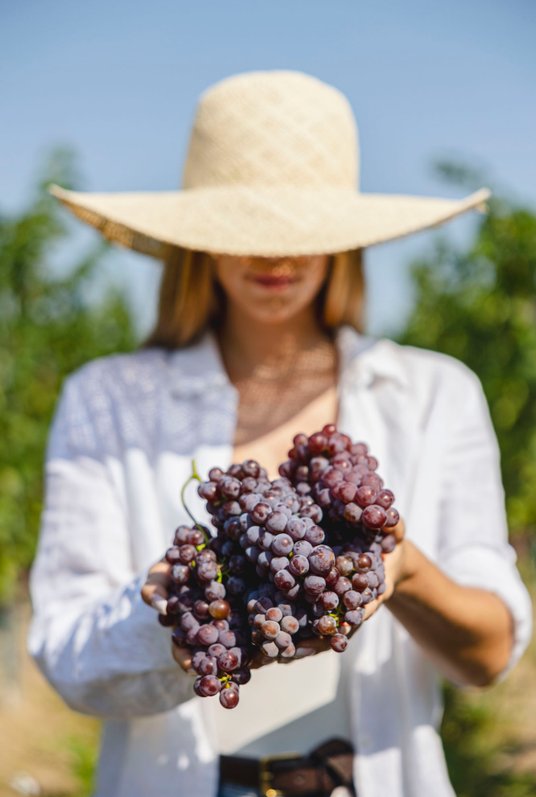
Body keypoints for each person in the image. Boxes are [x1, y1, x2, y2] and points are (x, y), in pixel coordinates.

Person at [28, 70, 532, 797]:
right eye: (245, 229)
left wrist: (407, 572)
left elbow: (490, 652)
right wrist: (167, 618)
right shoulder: (107, 400)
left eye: (302, 230)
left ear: (344, 241)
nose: (275, 255)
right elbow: (65, 653)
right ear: (199, 242)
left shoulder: (433, 394)